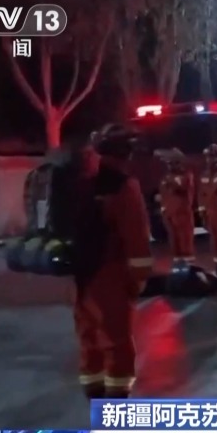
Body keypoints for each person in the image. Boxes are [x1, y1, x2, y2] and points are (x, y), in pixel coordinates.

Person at [71, 129, 152, 399]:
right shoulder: (123, 186)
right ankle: (114, 409)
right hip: (110, 273)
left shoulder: (79, 182)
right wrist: (139, 278)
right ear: (124, 152)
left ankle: (94, 398)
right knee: (117, 342)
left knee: (89, 338)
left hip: (80, 274)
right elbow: (136, 236)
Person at [157, 149, 196, 263]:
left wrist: (173, 186)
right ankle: (177, 260)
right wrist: (163, 207)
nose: (169, 166)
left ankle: (188, 261)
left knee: (185, 237)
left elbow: (184, 190)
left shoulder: (186, 176)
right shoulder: (166, 177)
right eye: (168, 164)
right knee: (174, 238)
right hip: (169, 212)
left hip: (182, 211)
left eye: (172, 163)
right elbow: (163, 193)